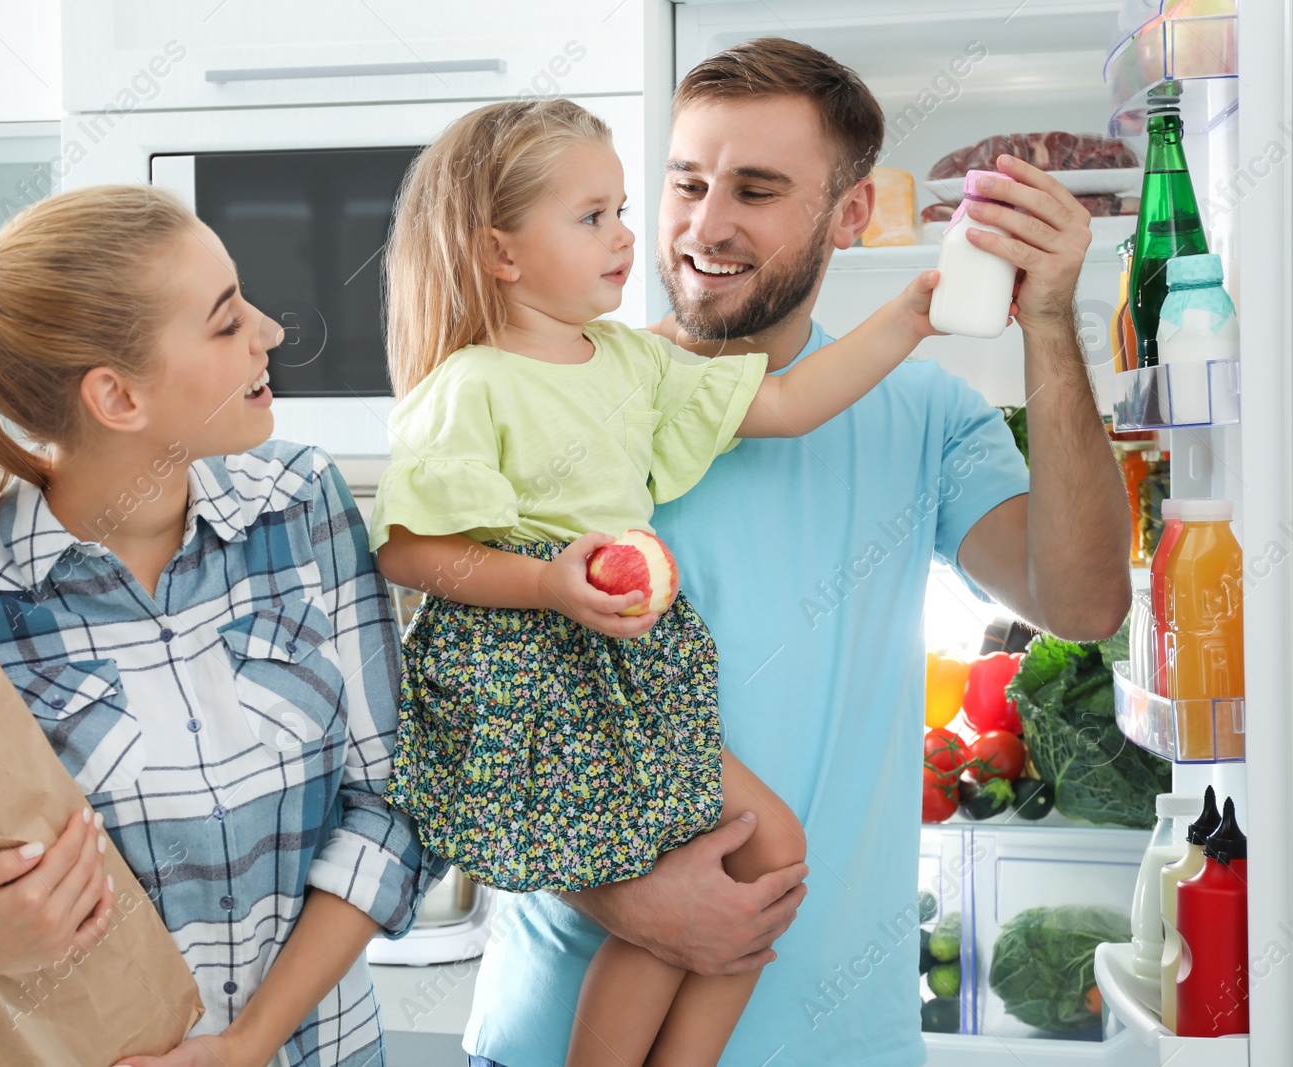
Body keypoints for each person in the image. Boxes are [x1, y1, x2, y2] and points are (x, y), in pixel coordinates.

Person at [465, 39, 1131, 1067]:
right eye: (686, 182)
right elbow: (469, 724)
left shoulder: (921, 412)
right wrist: (627, 896)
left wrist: (1048, 322)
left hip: (838, 1039)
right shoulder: (551, 404)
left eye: (758, 189)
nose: (705, 225)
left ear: (849, 215)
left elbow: (1083, 601)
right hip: (551, 1032)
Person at [0, 185, 442, 1067]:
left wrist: (246, 1044)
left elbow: (392, 806)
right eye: (228, 324)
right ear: (117, 397)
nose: (270, 331)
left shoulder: (304, 506)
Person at [370, 98, 942, 1067]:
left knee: (766, 850)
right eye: (591, 216)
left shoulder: (632, 362)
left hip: (635, 660)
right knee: (666, 889)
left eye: (623, 207)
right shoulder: (470, 386)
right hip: (539, 670)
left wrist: (912, 314)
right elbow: (412, 552)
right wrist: (547, 583)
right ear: (500, 253)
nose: (631, 235)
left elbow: (792, 400)